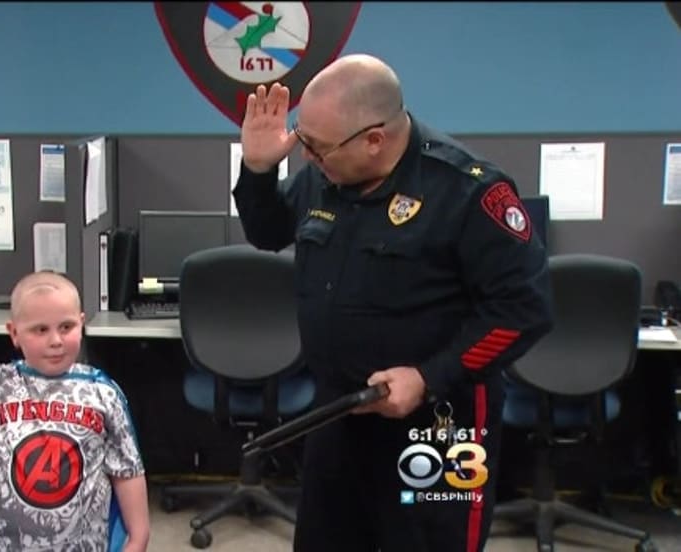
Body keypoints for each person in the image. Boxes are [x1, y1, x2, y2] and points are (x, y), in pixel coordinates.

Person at [232, 54, 554, 551]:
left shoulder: (467, 191)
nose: (308, 158)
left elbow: (524, 310)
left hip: (439, 422)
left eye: (317, 147)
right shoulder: (328, 173)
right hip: (339, 410)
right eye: (303, 141)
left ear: (374, 140)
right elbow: (268, 232)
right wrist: (257, 170)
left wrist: (429, 377)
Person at [0, 269, 150, 551]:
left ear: (81, 324)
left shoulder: (103, 393)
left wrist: (138, 537)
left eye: (66, 327)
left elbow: (127, 469)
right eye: (40, 330)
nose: (56, 340)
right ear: (14, 333)